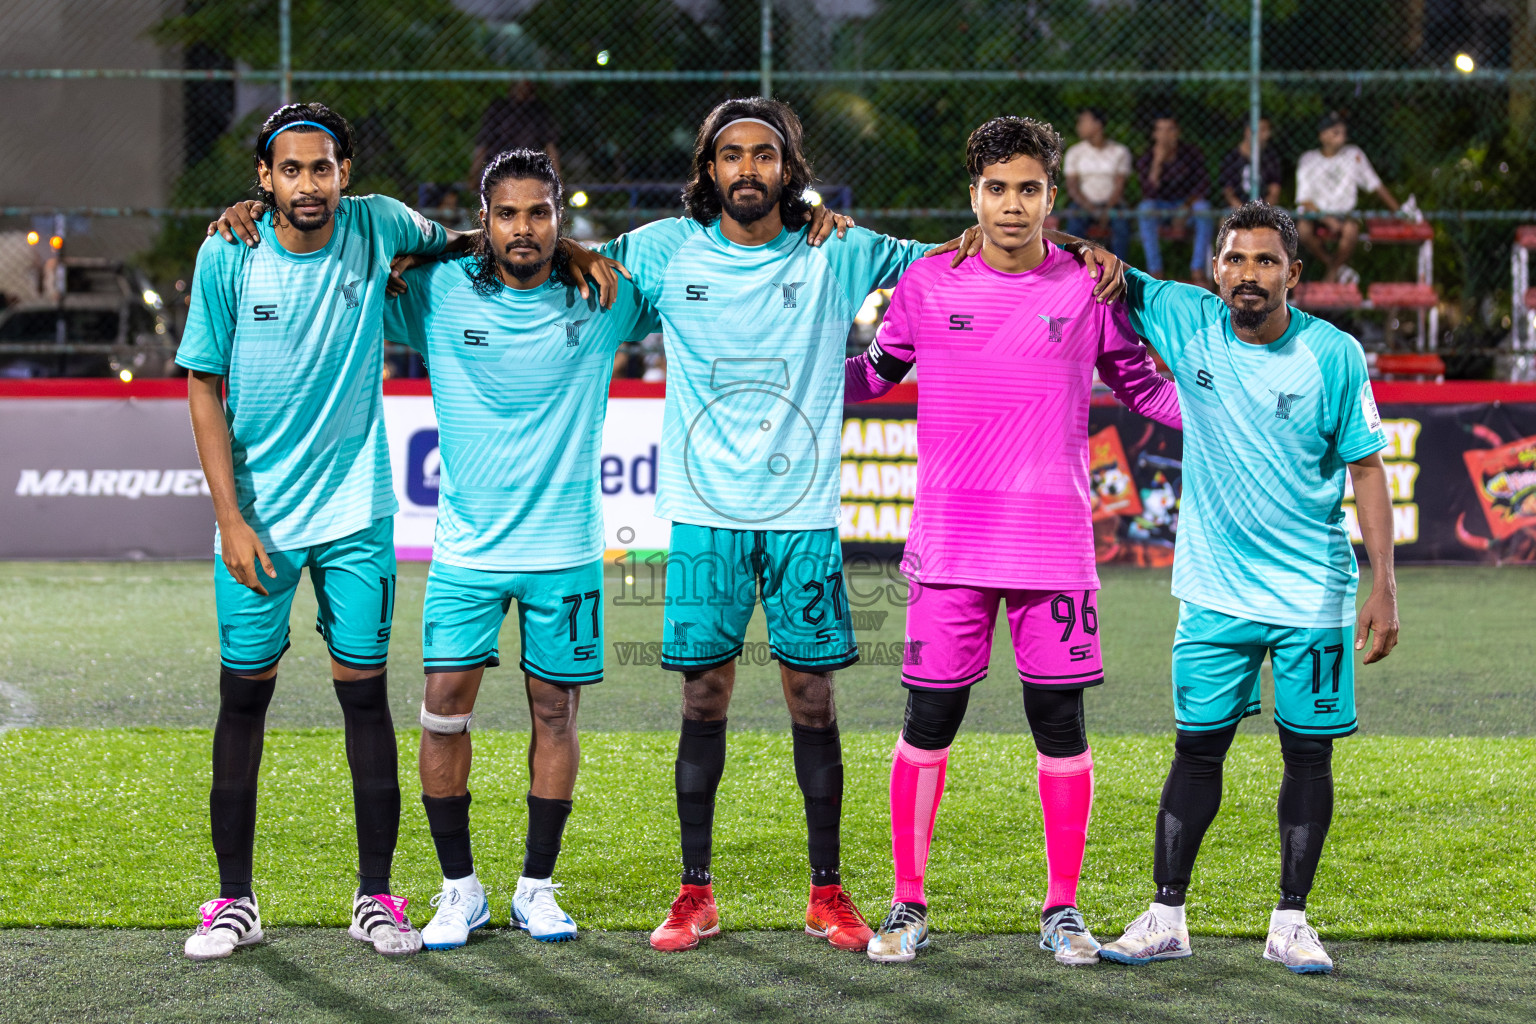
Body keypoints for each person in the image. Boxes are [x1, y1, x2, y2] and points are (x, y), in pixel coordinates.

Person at [597, 96, 1120, 954]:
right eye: (732, 155)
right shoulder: (661, 248)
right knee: (703, 697)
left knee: (814, 699)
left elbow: (976, 253)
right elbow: (566, 260)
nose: (748, 169)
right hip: (699, 513)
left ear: (788, 168)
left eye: (765, 155)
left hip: (804, 517)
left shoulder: (843, 246)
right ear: (710, 168)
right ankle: (695, 893)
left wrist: (1081, 252)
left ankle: (830, 894)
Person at [844, 116, 1180, 966]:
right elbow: (872, 375)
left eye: (1029, 189)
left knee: (1059, 725)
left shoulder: (1089, 286)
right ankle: (909, 905)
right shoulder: (926, 281)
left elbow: (1148, 391)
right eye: (997, 188)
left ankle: (1062, 910)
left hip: (1054, 548)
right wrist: (769, 365)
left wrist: (1237, 411)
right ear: (973, 196)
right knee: (929, 720)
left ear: (1051, 198)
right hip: (951, 545)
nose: (1012, 205)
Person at [177, 102, 469, 960]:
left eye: (324, 167)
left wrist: (410, 268)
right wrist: (229, 517)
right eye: (291, 169)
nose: (309, 183)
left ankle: (375, 897)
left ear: (345, 173)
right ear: (264, 179)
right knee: (243, 700)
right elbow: (202, 385)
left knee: (364, 698)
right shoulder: (228, 251)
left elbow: (454, 245)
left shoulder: (377, 225)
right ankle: (234, 901)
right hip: (259, 522)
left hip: (355, 515)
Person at [1088, 201, 1399, 974]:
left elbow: (1367, 469)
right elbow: (1095, 264)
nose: (1249, 274)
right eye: (1235, 259)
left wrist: (1385, 584)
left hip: (1312, 596)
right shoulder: (1186, 318)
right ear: (1214, 268)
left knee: (1308, 758)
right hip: (1214, 592)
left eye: (1266, 261)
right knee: (1196, 752)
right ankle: (1165, 916)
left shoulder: (1334, 356)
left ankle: (1291, 922)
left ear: (1294, 274)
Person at [383, 149, 659, 949]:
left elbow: (687, 250)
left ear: (559, 218)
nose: (524, 228)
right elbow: (367, 262)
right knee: (442, 716)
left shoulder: (604, 294)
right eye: (507, 214)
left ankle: (537, 887)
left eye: (539, 213)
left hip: (567, 553)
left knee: (555, 716)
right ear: (485, 220)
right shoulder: (436, 293)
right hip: (466, 555)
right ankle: (458, 890)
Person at [1294, 112, 1401, 284]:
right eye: (1335, 132)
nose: (1342, 136)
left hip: (1344, 214)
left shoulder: (1353, 155)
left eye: (1343, 131)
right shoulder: (1309, 160)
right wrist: (1327, 219)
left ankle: (1331, 274)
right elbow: (1304, 200)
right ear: (1323, 136)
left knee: (1351, 229)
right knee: (1303, 230)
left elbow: (1375, 185)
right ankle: (1336, 267)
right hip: (1317, 214)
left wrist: (1398, 211)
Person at [1135, 114, 1213, 286]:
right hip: (1160, 209)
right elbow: (1147, 192)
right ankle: (1155, 271)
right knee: (1144, 208)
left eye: (1170, 129)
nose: (1165, 135)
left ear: (1177, 133)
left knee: (1204, 209)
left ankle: (1197, 269)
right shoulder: (1148, 157)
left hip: (1187, 207)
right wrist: (1157, 163)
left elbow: (1203, 185)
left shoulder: (1190, 153)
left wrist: (1185, 208)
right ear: (1154, 134)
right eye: (1160, 130)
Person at [1063, 107, 1133, 259]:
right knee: (1074, 225)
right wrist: (1092, 209)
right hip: (1084, 205)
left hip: (1112, 205)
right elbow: (1072, 187)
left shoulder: (1119, 151)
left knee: (1121, 226)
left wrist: (1107, 209)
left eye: (1083, 122)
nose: (1078, 126)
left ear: (1097, 124)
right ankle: (1075, 269)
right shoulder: (1075, 152)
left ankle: (1120, 272)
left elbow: (1120, 186)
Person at [473, 79, 560, 185]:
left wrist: (558, 177)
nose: (522, 90)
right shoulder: (499, 107)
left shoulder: (538, 110)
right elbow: (484, 142)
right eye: (519, 85)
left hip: (530, 167)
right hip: (500, 164)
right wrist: (474, 172)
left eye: (527, 85)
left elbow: (550, 145)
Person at [1219, 118, 1282, 208]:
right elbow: (1228, 192)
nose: (1267, 135)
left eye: (1268, 130)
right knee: (1226, 219)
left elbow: (1274, 192)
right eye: (1263, 130)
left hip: (1265, 209)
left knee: (1282, 216)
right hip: (1236, 208)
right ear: (1248, 131)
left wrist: (1261, 211)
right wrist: (1245, 212)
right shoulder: (1231, 158)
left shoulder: (1270, 158)